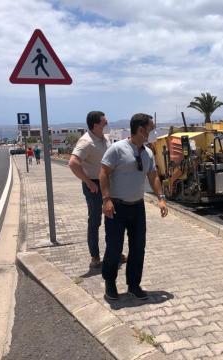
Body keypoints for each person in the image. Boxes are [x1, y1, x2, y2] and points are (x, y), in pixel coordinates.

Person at [99, 113, 168, 301]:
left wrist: (161, 198)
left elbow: (152, 175)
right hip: (116, 207)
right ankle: (110, 283)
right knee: (114, 247)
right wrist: (106, 199)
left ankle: (134, 285)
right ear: (140, 129)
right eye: (150, 129)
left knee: (138, 247)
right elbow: (103, 173)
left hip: (138, 207)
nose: (152, 132)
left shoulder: (147, 152)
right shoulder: (117, 149)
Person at [69, 111, 127, 269]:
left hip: (108, 184)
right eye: (104, 121)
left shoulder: (105, 138)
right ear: (95, 125)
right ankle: (95, 257)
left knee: (114, 219)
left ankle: (114, 252)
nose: (107, 123)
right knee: (95, 221)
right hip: (94, 186)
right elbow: (73, 163)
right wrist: (87, 181)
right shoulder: (86, 142)